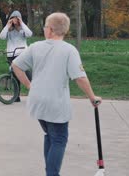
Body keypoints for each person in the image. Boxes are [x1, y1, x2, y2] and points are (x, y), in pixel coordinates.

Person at [12, 12, 102, 176]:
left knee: (50, 135)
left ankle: (50, 172)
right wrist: (92, 97)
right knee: (59, 138)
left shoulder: (36, 47)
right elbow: (80, 77)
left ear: (51, 30)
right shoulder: (69, 50)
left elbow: (16, 66)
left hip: (38, 101)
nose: (45, 29)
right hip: (55, 103)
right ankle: (52, 174)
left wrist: (30, 86)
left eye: (46, 26)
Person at [0, 10, 33, 102]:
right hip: (11, 55)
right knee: (14, 75)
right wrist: (7, 25)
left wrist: (21, 23)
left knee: (26, 73)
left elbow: (30, 34)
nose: (14, 20)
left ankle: (35, 90)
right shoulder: (9, 31)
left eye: (16, 18)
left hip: (22, 55)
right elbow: (1, 36)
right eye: (12, 18)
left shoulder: (22, 30)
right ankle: (16, 96)